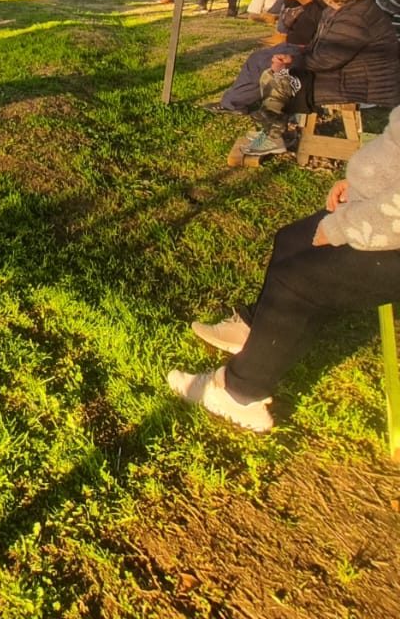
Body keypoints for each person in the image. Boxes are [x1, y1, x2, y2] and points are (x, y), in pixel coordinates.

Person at [168, 104, 400, 433]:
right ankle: (256, 328)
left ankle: (240, 392)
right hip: (382, 210)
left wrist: (344, 228)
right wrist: (362, 184)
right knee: (292, 240)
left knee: (300, 281)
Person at [242, 0, 400, 157]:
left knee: (281, 81)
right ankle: (273, 131)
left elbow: (328, 58)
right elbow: (321, 48)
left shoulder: (355, 19)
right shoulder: (346, 10)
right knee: (277, 75)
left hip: (363, 83)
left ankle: (274, 136)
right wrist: (292, 59)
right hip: (349, 73)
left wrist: (293, 64)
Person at [209, 0, 350, 114]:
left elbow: (329, 26)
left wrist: (308, 4)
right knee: (258, 58)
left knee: (262, 60)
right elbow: (300, 13)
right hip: (298, 44)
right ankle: (235, 102)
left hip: (311, 51)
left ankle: (237, 104)